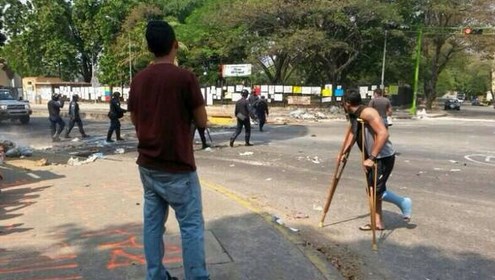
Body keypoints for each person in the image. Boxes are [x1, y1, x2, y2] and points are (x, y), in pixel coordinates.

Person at [127, 20, 209, 280]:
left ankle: (155, 276)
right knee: (191, 226)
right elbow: (203, 121)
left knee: (152, 225)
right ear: (175, 45)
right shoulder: (185, 78)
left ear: (149, 48)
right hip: (179, 167)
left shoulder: (138, 80)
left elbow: (133, 118)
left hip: (148, 167)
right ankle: (196, 277)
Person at [340, 89, 411, 230]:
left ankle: (403, 202)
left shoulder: (368, 113)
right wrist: (343, 152)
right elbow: (353, 133)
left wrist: (372, 158)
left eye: (342, 103)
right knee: (372, 190)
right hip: (371, 156)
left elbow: (384, 134)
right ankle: (378, 222)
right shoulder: (354, 114)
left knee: (376, 190)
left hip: (382, 156)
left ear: (347, 103)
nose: (342, 105)